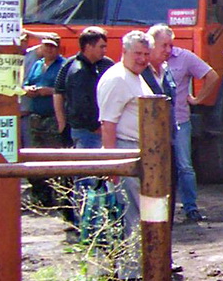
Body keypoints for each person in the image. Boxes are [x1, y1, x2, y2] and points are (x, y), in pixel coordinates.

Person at [97, 30, 164, 258]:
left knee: (143, 210)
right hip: (124, 150)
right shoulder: (118, 78)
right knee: (130, 212)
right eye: (137, 53)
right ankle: (131, 271)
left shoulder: (135, 76)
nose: (142, 59)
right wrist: (112, 166)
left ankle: (144, 265)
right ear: (124, 51)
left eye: (146, 54)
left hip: (141, 150)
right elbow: (107, 123)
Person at [149, 23, 221, 223]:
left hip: (180, 121)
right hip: (153, 127)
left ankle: (190, 208)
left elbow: (212, 76)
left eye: (170, 45)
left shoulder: (184, 57)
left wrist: (198, 99)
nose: (168, 50)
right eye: (164, 45)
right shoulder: (145, 61)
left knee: (184, 165)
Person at [55, 27, 113, 229]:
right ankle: (87, 224)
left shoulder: (90, 66)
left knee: (87, 177)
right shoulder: (79, 71)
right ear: (88, 47)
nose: (105, 50)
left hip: (85, 130)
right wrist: (95, 127)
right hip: (88, 132)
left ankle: (89, 222)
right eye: (101, 46)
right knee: (88, 178)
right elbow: (80, 105)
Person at [19, 34, 66, 210]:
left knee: (53, 157)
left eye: (52, 46)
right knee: (34, 157)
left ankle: (58, 197)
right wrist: (28, 90)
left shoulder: (63, 66)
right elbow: (27, 82)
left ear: (58, 48)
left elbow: (65, 90)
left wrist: (50, 91)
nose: (49, 49)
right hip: (35, 117)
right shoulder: (38, 65)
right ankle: (41, 195)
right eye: (46, 46)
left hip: (52, 118)